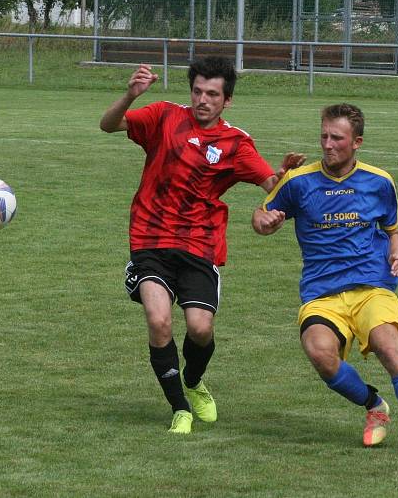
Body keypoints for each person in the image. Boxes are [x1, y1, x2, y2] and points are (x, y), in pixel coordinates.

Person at [99, 56, 304, 434]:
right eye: (197, 91)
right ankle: (180, 409)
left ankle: (193, 382)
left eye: (212, 94)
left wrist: (286, 174)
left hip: (199, 245)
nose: (202, 100)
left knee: (200, 329)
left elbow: (270, 184)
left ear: (227, 101)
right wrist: (130, 95)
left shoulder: (235, 143)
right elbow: (109, 124)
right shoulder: (163, 116)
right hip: (150, 238)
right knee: (158, 320)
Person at [252, 103, 398, 462]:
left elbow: (392, 230)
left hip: (372, 286)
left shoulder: (380, 181)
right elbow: (260, 215)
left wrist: (397, 252)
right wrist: (265, 222)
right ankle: (374, 404)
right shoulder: (298, 182)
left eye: (336, 138)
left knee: (389, 346)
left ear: (356, 142)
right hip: (321, 292)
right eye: (324, 135)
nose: (327, 144)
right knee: (319, 352)